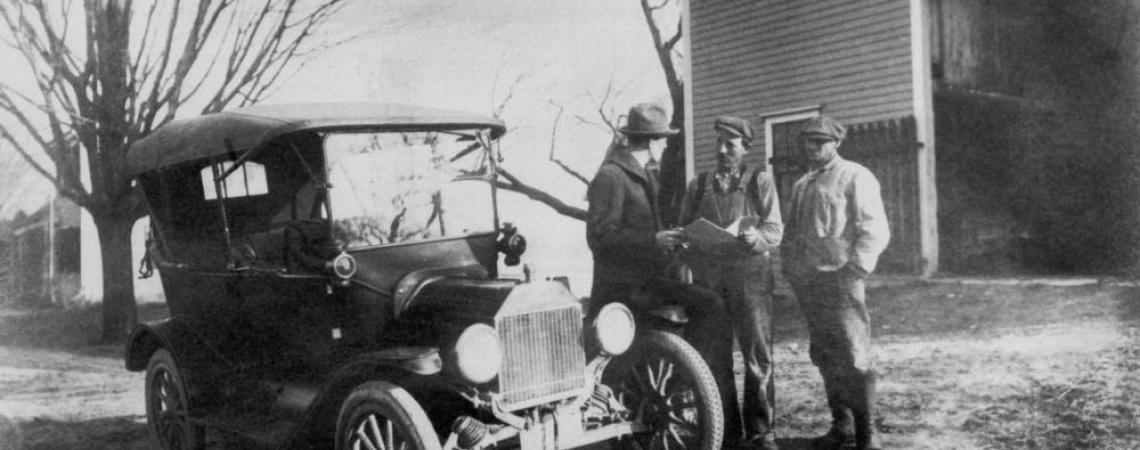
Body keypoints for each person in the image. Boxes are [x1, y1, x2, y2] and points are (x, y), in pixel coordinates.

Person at [586, 103, 734, 432]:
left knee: (711, 303)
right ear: (651, 141)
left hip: (646, 281)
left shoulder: (640, 173)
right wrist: (654, 240)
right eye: (662, 139)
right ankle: (684, 379)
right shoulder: (611, 176)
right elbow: (600, 237)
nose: (665, 145)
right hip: (622, 291)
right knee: (710, 304)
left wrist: (673, 242)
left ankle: (685, 377)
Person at [781, 116, 890, 450]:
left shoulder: (855, 176)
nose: (813, 148)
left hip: (841, 281)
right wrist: (790, 269)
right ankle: (840, 425)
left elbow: (875, 229)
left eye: (821, 142)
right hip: (810, 282)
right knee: (825, 355)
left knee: (854, 354)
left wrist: (854, 268)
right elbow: (794, 234)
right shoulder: (802, 185)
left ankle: (867, 433)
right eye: (808, 142)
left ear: (836, 143)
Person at [678, 116, 783, 450]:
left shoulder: (759, 181)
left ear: (746, 147)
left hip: (750, 277)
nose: (722, 150)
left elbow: (774, 230)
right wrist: (691, 244)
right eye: (719, 144)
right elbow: (683, 231)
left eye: (731, 144)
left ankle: (760, 433)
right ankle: (727, 432)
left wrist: (755, 237)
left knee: (757, 356)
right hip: (711, 281)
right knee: (714, 357)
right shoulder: (698, 184)